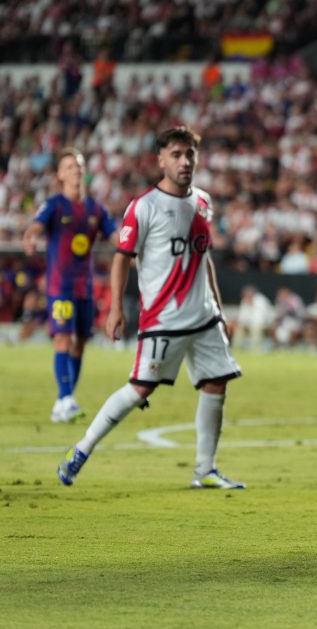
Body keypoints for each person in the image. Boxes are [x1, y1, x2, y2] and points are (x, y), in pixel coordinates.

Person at [57, 126, 245, 489]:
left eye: (190, 153)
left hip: (205, 318)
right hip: (164, 319)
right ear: (161, 160)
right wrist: (114, 309)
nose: (184, 161)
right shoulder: (144, 206)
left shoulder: (203, 201)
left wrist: (219, 310)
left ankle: (204, 469)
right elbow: (121, 258)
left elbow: (204, 259)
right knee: (140, 389)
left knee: (216, 384)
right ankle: (81, 449)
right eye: (176, 154)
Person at [23, 148, 117, 423]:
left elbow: (114, 235)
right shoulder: (54, 205)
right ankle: (66, 398)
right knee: (63, 339)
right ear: (61, 175)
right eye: (70, 166)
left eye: (79, 165)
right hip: (59, 286)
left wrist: (129, 249)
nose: (76, 169)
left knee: (80, 343)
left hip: (84, 287)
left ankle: (62, 403)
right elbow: (36, 226)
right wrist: (30, 237)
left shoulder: (96, 209)